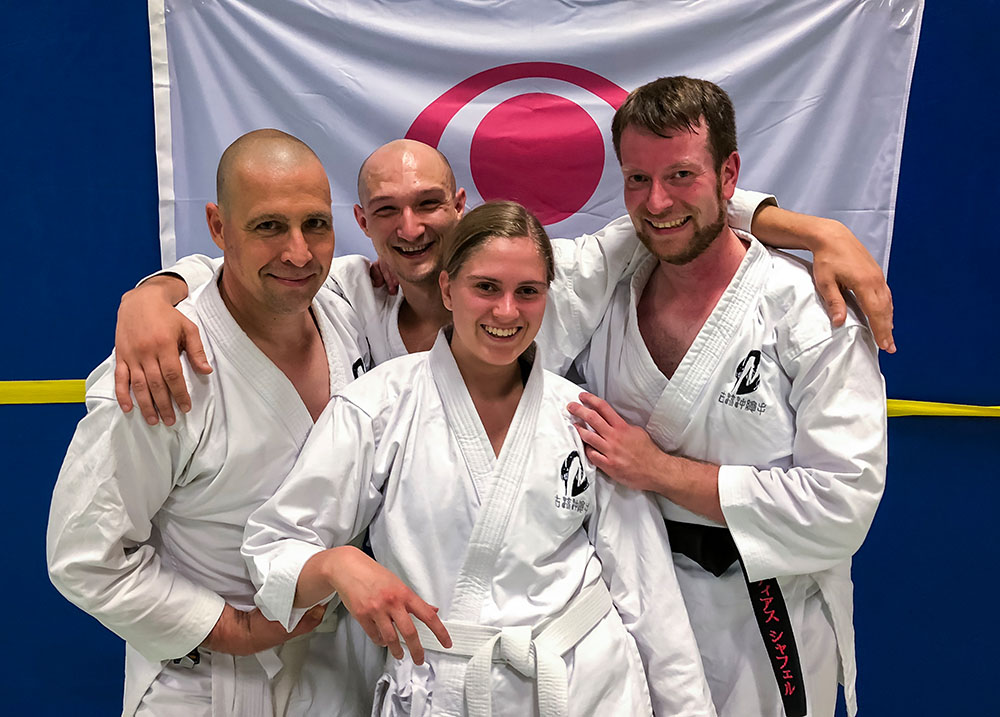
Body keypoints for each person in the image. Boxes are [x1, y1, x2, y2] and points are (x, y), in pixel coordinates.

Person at [241, 201, 718, 716]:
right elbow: (274, 549)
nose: (507, 311)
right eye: (486, 287)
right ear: (447, 289)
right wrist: (337, 564)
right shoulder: (376, 409)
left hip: (586, 684)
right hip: (448, 687)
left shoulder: (580, 416)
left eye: (528, 292)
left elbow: (647, 594)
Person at [111, 139, 895, 427]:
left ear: (461, 205)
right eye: (388, 211)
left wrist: (815, 229)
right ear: (361, 220)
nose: (411, 228)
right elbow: (231, 269)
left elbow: (670, 216)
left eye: (428, 205)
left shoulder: (555, 278)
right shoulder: (346, 292)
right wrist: (153, 292)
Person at [566, 76, 887, 717]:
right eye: (637, 179)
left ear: (728, 172)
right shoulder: (604, 289)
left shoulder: (809, 312)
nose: (656, 202)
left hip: (765, 613)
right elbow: (495, 281)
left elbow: (842, 503)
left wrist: (659, 470)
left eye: (681, 175)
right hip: (629, 605)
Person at [46, 130, 387, 717]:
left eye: (316, 224)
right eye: (268, 226)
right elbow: (84, 553)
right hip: (211, 680)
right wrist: (231, 628)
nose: (300, 253)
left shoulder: (343, 308)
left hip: (335, 667)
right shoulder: (163, 369)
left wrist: (153, 289)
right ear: (218, 225)